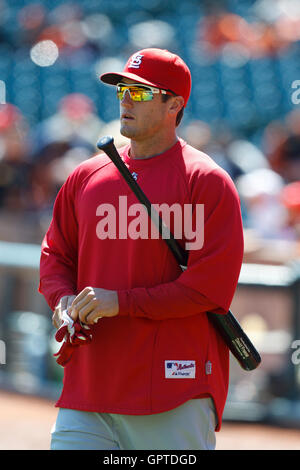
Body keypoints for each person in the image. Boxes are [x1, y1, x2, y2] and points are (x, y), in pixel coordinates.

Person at [39, 48, 244, 450]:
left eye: (143, 92)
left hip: (171, 388)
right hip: (89, 387)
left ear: (175, 104)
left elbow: (209, 289)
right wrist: (63, 302)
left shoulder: (206, 181)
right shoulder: (87, 176)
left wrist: (122, 302)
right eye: (123, 90)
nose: (127, 99)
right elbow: (56, 256)